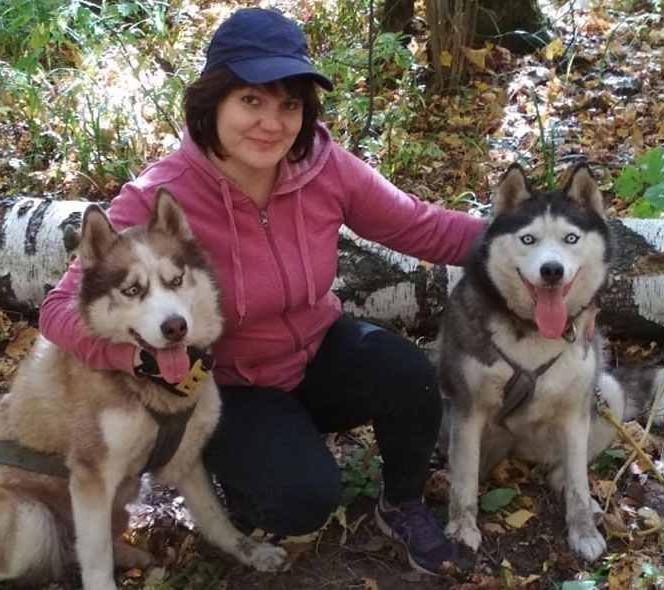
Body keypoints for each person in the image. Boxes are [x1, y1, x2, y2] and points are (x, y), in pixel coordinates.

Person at [39, 7, 485, 574]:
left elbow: (422, 226)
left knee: (408, 373)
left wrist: (531, 246)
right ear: (213, 102)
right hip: (229, 385)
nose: (272, 123)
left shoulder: (324, 167)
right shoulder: (160, 196)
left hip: (316, 353)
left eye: (289, 104)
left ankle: (401, 504)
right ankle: (247, 474)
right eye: (251, 100)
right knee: (299, 500)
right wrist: (133, 357)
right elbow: (58, 310)